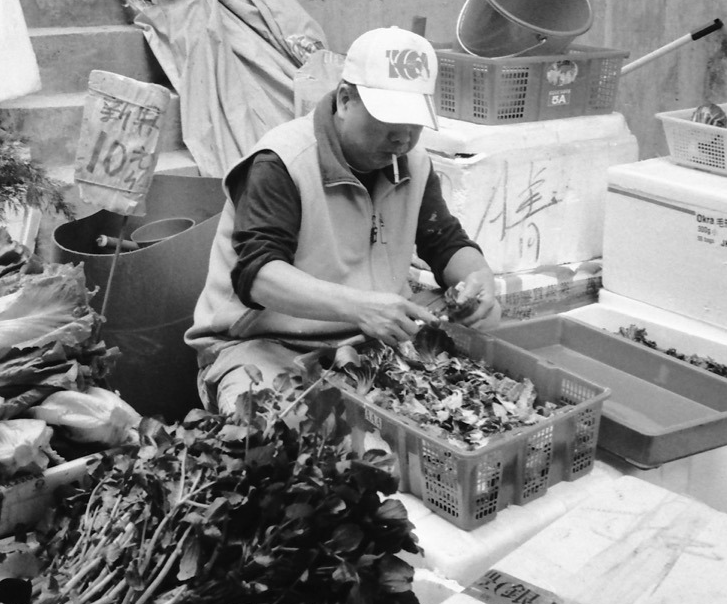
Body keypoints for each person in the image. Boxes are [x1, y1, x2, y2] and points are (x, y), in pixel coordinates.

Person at [186, 26, 501, 414]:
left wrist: (479, 279)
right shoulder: (281, 162)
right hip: (266, 343)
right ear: (346, 99)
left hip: (369, 338)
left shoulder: (413, 164)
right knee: (274, 437)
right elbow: (258, 276)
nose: (401, 140)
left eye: (414, 126)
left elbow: (444, 240)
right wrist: (360, 308)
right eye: (388, 123)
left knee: (472, 367)